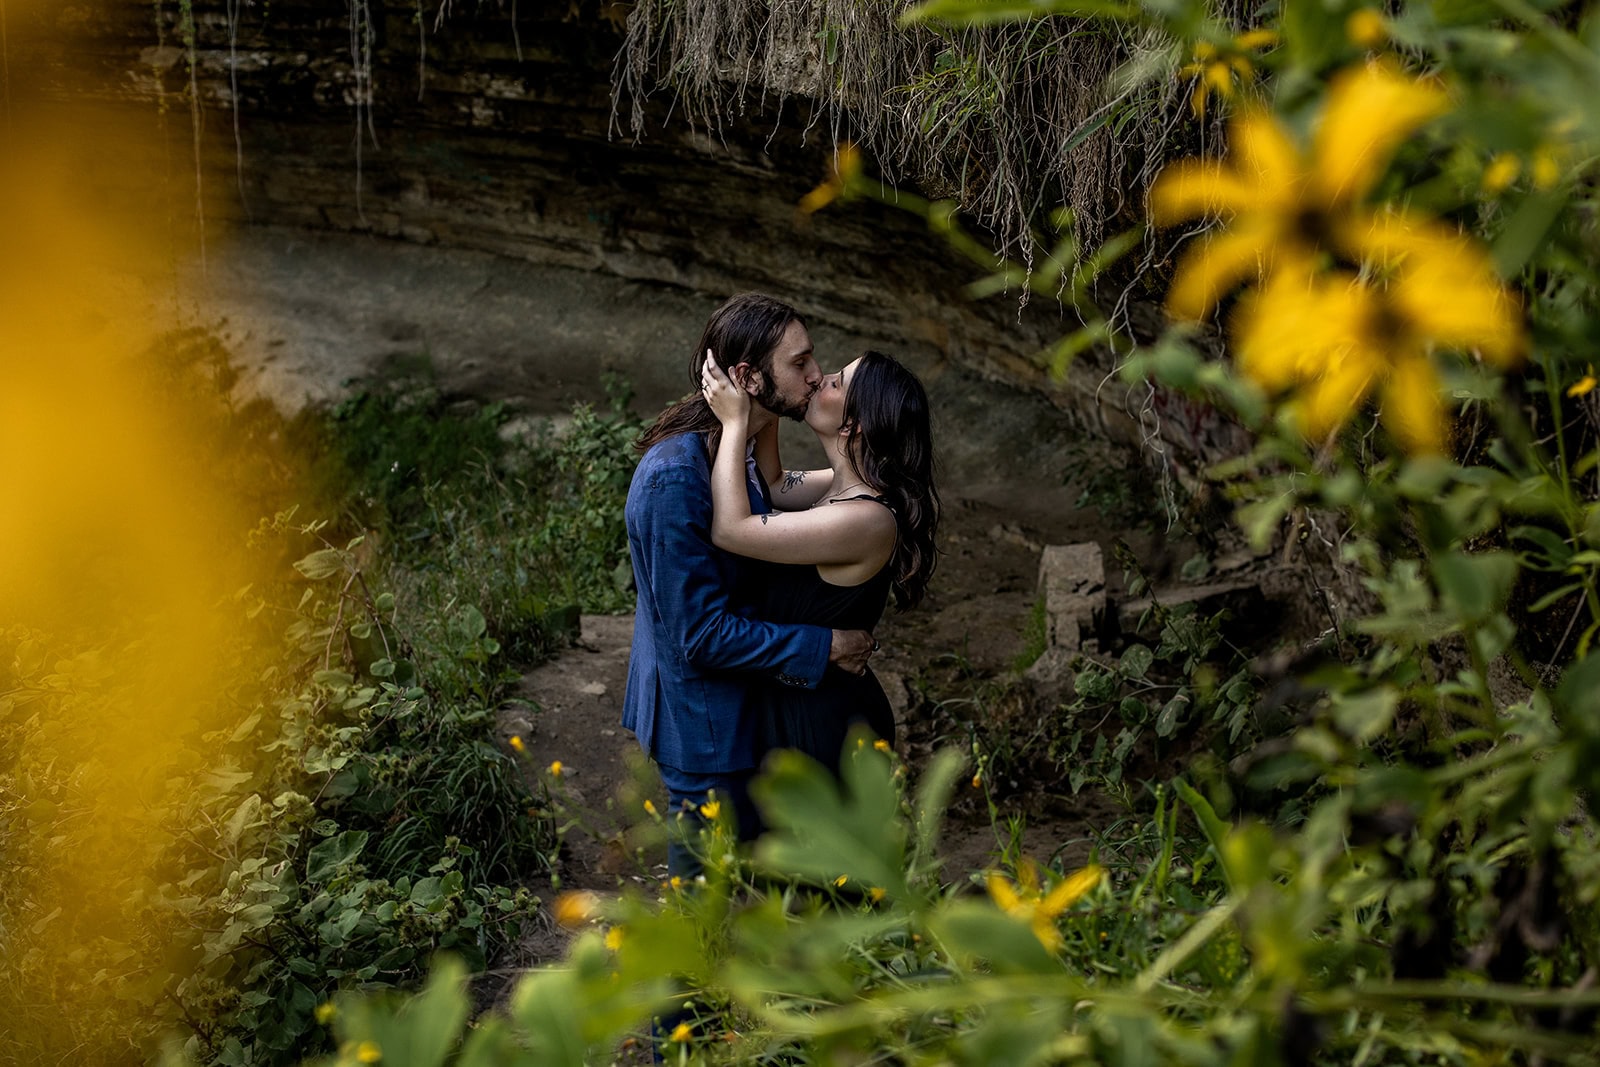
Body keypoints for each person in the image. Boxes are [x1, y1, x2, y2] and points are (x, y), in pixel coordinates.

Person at [621, 293, 876, 878]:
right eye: (800, 363)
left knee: (758, 899)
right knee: (705, 912)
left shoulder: (735, 456)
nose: (816, 376)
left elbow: (782, 486)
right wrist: (826, 645)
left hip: (748, 713)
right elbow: (700, 634)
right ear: (747, 377)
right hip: (704, 728)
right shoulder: (676, 479)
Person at [700, 347, 940, 774]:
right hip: (803, 702)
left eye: (837, 382)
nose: (818, 379)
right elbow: (772, 484)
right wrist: (769, 396)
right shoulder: (838, 486)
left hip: (827, 725)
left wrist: (735, 422)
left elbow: (731, 529)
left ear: (855, 425)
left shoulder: (866, 520)